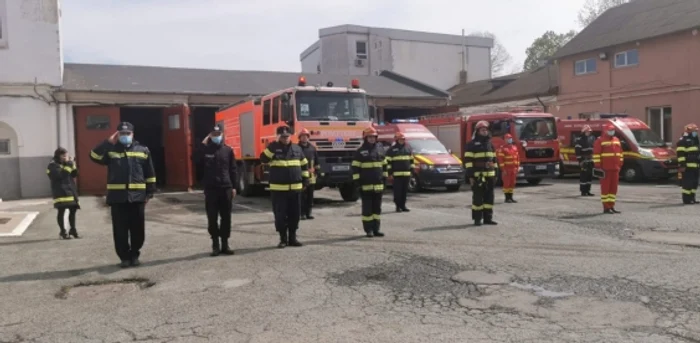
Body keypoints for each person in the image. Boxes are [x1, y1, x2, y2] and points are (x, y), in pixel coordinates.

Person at [89, 122, 157, 268]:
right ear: (117, 135)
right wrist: (107, 142)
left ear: (133, 134)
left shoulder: (142, 150)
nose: (125, 136)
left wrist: (150, 192)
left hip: (137, 197)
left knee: (137, 229)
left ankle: (135, 255)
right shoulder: (111, 150)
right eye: (121, 134)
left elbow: (150, 173)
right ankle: (124, 257)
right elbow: (93, 155)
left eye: (127, 134)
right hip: (117, 198)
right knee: (120, 230)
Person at [260, 125, 309, 248]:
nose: (285, 138)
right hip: (279, 190)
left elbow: (304, 165)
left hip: (295, 189)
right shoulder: (273, 148)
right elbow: (263, 158)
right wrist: (272, 147)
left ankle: (293, 238)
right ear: (278, 137)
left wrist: (306, 180)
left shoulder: (297, 149)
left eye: (287, 136)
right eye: (283, 137)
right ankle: (283, 239)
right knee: (280, 215)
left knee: (295, 214)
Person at [193, 125, 237, 256]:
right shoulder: (205, 150)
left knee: (226, 217)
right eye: (214, 134)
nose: (216, 137)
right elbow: (195, 160)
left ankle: (225, 244)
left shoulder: (228, 150)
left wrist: (234, 187)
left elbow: (233, 169)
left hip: (226, 188)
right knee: (212, 218)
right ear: (210, 136)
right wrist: (202, 145)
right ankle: (215, 245)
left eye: (218, 134)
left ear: (222, 134)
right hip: (211, 189)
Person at [352, 127, 388, 237]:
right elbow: (355, 168)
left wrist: (385, 180)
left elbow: (385, 165)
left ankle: (376, 229)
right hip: (365, 186)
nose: (372, 139)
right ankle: (368, 230)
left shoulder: (380, 149)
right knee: (367, 209)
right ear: (365, 138)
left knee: (377, 209)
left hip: (378, 186)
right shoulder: (360, 151)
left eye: (373, 137)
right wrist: (357, 183)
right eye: (370, 137)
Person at [464, 120, 497, 226]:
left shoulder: (490, 144)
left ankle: (488, 219)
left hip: (490, 176)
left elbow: (494, 161)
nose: (485, 131)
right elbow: (468, 162)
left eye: (486, 129)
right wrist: (471, 176)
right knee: (478, 199)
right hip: (478, 176)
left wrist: (495, 173)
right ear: (477, 131)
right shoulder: (471, 145)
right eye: (482, 130)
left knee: (489, 198)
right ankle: (477, 219)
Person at [47, 147, 81, 239]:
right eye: (63, 156)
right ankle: (63, 231)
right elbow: (61, 176)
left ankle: (73, 230)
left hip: (71, 191)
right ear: (58, 156)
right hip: (60, 192)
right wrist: (69, 164)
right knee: (61, 211)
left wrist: (72, 164)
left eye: (66, 155)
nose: (65, 157)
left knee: (73, 211)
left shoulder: (66, 164)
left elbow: (74, 174)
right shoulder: (52, 165)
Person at [593, 124, 623, 214]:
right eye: (610, 130)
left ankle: (611, 206)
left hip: (615, 169)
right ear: (605, 131)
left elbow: (621, 153)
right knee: (605, 189)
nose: (612, 132)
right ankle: (606, 207)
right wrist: (598, 166)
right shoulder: (600, 140)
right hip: (605, 169)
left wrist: (620, 164)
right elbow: (596, 154)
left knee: (613, 189)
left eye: (613, 130)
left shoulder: (616, 140)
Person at [386, 132, 413, 212]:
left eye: (403, 139)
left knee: (404, 192)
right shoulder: (391, 150)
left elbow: (411, 161)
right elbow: (388, 163)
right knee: (397, 192)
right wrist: (390, 173)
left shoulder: (408, 148)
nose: (402, 141)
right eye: (400, 139)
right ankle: (398, 206)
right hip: (396, 175)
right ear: (397, 140)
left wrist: (411, 170)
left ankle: (403, 206)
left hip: (407, 175)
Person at [298, 128, 321, 220]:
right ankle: (302, 213)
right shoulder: (296, 148)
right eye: (303, 136)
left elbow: (317, 162)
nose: (304, 138)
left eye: (306, 136)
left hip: (311, 176)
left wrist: (317, 171)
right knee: (302, 196)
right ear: (300, 137)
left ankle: (309, 213)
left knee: (310, 196)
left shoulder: (312, 148)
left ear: (308, 137)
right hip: (301, 176)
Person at [676, 123, 699, 204]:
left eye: (696, 131)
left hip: (695, 166)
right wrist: (682, 165)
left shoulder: (695, 141)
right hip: (687, 167)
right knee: (687, 184)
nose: (696, 133)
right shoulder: (683, 141)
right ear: (689, 131)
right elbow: (680, 154)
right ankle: (686, 200)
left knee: (694, 184)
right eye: (694, 131)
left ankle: (692, 198)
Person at [496, 133, 519, 203]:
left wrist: (517, 168)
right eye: (508, 138)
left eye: (510, 138)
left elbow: (517, 158)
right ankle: (507, 198)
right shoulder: (502, 148)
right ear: (505, 140)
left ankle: (511, 197)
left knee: (512, 183)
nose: (509, 139)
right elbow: (500, 160)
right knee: (507, 183)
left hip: (513, 169)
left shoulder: (514, 147)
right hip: (507, 169)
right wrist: (503, 169)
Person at [575, 125, 596, 197]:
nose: (589, 133)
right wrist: (580, 161)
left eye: (589, 132)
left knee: (589, 176)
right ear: (584, 132)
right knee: (584, 177)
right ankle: (583, 191)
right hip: (584, 161)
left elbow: (593, 150)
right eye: (587, 131)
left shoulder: (591, 139)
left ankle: (588, 190)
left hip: (590, 161)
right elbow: (577, 152)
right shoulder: (580, 140)